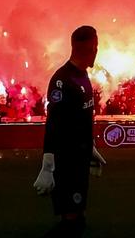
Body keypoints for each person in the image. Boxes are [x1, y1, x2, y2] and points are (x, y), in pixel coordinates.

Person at [32, 25, 106, 236]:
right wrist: (48, 166)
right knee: (71, 223)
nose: (97, 51)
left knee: (79, 219)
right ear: (91, 48)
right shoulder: (62, 80)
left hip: (80, 158)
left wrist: (90, 147)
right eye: (96, 47)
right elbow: (54, 124)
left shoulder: (83, 76)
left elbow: (81, 119)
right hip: (66, 161)